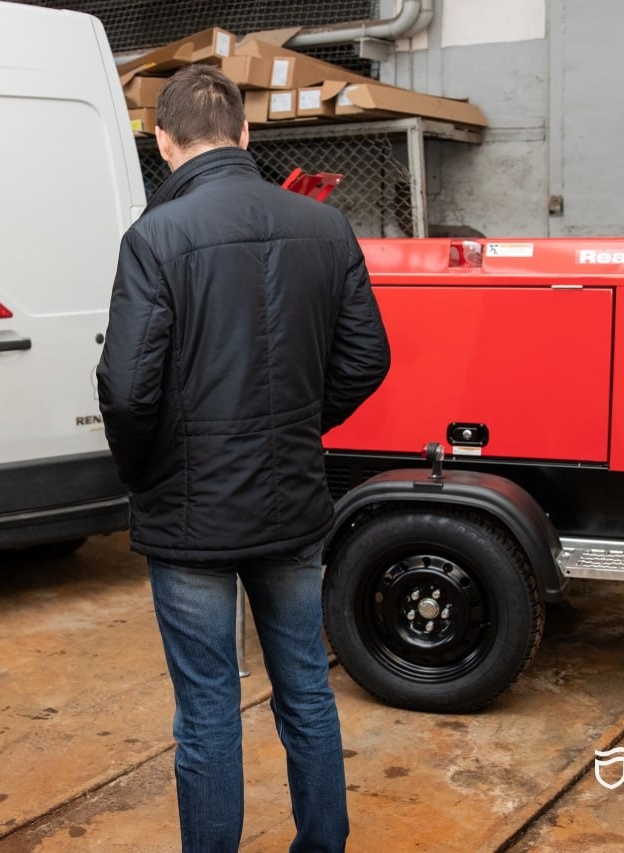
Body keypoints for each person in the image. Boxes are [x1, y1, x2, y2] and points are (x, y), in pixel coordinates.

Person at [96, 65, 391, 852]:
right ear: (246, 132)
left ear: (162, 141)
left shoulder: (155, 235)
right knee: (307, 689)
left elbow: (126, 389)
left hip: (189, 514)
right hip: (292, 499)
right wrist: (295, 425)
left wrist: (147, 471)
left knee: (206, 711)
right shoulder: (324, 226)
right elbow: (367, 358)